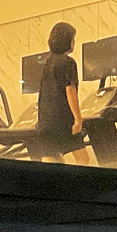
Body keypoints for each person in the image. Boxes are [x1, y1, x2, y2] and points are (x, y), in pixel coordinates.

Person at [37, 22, 89, 165]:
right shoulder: (68, 62)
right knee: (83, 159)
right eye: (73, 39)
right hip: (63, 121)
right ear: (68, 41)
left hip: (45, 122)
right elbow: (70, 91)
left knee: (50, 160)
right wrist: (78, 119)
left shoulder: (46, 63)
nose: (74, 42)